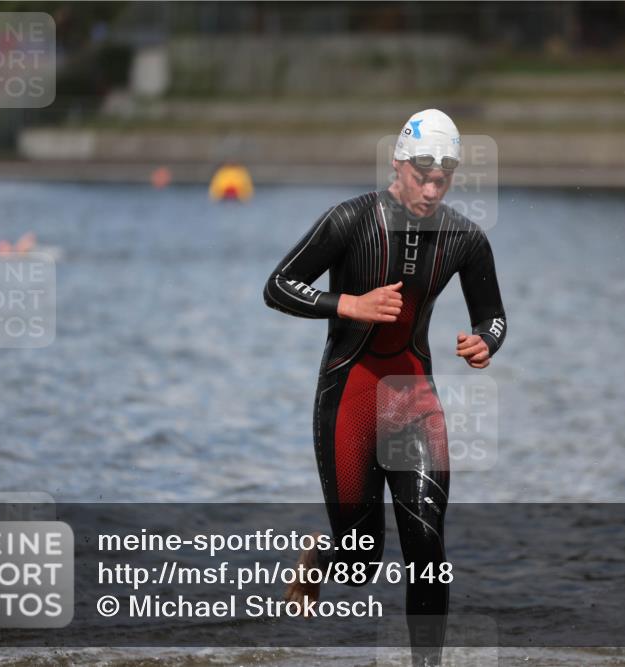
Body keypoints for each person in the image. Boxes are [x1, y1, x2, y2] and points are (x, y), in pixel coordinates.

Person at [263, 109, 507, 666]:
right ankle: (322, 558)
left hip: (413, 396)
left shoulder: (465, 238)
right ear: (397, 164)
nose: (431, 190)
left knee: (426, 541)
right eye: (421, 177)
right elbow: (277, 286)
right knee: (360, 563)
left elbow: (493, 315)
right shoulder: (349, 221)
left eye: (442, 179)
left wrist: (485, 342)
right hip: (349, 394)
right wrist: (349, 303)